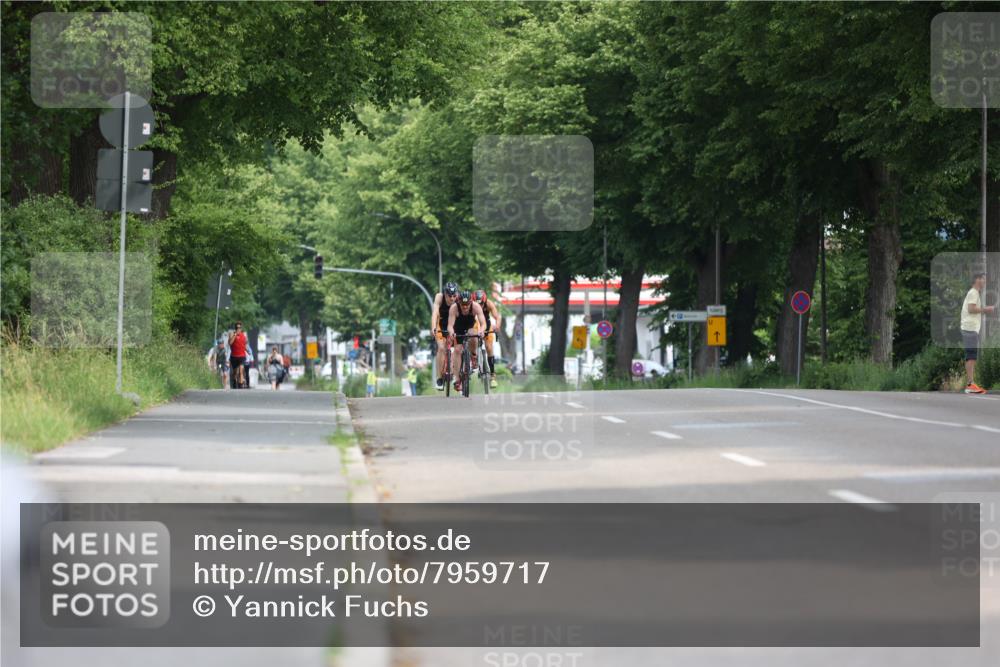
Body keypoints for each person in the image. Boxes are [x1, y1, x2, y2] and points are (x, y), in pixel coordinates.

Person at [961, 272, 995, 394]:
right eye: (983, 279)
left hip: (970, 328)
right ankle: (970, 385)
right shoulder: (973, 292)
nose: (985, 282)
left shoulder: (974, 293)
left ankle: (970, 384)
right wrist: (986, 309)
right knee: (971, 356)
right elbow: (971, 309)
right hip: (970, 328)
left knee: (971, 356)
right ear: (977, 280)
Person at [447, 290, 487, 394]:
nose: (465, 307)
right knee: (457, 350)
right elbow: (450, 326)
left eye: (467, 304)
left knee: (473, 333)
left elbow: (483, 324)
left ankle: (473, 356)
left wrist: (481, 331)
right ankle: (457, 379)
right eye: (462, 305)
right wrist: (451, 333)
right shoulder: (454, 308)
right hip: (458, 329)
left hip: (470, 327)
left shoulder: (476, 307)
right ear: (459, 302)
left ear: (471, 302)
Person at [431, 281, 460, 391]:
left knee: (459, 348)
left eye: (454, 296)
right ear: (445, 294)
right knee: (442, 348)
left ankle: (458, 374)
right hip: (441, 325)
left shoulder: (459, 299)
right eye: (449, 296)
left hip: (454, 325)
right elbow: (435, 313)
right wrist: (433, 327)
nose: (452, 299)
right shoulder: (439, 297)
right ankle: (439, 378)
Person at [474, 289, 502, 389]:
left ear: (484, 301)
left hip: (487, 325)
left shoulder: (489, 304)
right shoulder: (470, 305)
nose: (479, 306)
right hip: (475, 325)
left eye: (481, 304)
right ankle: (474, 359)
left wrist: (497, 326)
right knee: (473, 339)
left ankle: (493, 375)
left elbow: (497, 317)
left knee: (489, 347)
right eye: (477, 304)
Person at [228, 321, 248, 389]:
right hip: (234, 356)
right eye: (237, 327)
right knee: (235, 373)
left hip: (242, 356)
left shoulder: (243, 335)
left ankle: (240, 385)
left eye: (239, 327)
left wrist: (247, 350)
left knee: (241, 370)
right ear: (235, 328)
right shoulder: (232, 334)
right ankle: (234, 382)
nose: (238, 329)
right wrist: (235, 335)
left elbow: (243, 345)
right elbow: (230, 343)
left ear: (241, 328)